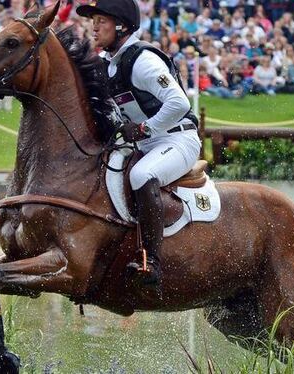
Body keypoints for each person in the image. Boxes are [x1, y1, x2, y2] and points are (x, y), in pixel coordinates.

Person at [77, 0, 201, 294]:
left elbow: (179, 103)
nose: (94, 26)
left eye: (101, 20)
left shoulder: (142, 61)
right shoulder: (109, 65)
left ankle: (151, 261)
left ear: (121, 25)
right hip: (149, 143)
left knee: (141, 176)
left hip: (177, 139)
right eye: (92, 20)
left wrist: (145, 128)